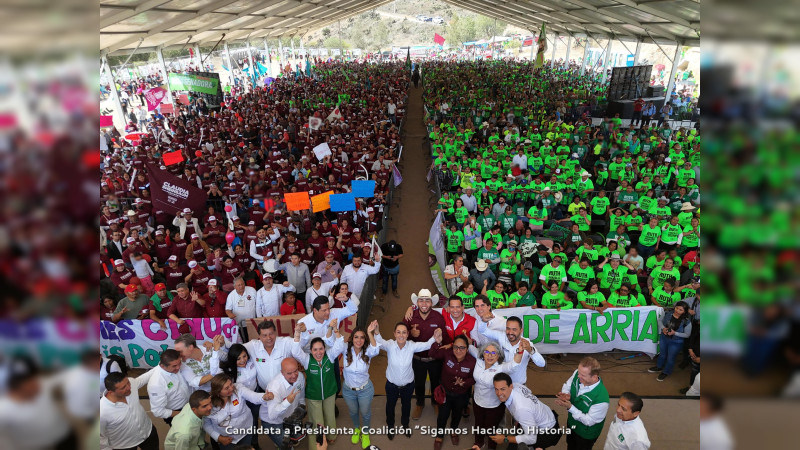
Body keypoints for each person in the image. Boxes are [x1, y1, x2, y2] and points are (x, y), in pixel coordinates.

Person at [371, 320, 442, 440]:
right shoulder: (389, 345)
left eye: (404, 332)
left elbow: (426, 345)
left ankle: (405, 424)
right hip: (391, 385)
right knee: (390, 406)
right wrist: (376, 331)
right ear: (394, 334)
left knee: (406, 406)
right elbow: (379, 341)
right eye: (398, 332)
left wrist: (435, 337)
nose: (401, 335)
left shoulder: (411, 346)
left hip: (408, 385)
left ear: (408, 334)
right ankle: (390, 426)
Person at [291, 319, 347, 447]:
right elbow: (295, 351)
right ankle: (316, 446)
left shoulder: (330, 356)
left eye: (321, 349)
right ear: (310, 350)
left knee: (330, 416)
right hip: (313, 396)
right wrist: (297, 334)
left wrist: (336, 330)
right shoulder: (306, 360)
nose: (318, 352)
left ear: (324, 349)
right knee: (317, 422)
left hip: (329, 393)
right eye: (315, 350)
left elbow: (339, 344)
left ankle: (331, 436)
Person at [404, 288, 447, 420]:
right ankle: (420, 403)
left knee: (436, 382)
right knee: (419, 383)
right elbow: (400, 336)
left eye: (427, 301)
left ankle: (435, 402)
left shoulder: (438, 317)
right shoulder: (410, 316)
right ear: (417, 302)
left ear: (431, 303)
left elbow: (444, 337)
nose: (424, 303)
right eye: (421, 300)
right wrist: (411, 333)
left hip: (434, 359)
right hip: (417, 359)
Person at [428, 333, 476, 450]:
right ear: (452, 346)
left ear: (467, 348)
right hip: (445, 393)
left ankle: (453, 430)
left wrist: (464, 383)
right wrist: (438, 342)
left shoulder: (472, 361)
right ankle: (439, 435)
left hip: (461, 395)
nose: (458, 350)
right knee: (442, 416)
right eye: (456, 347)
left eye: (462, 347)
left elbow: (475, 378)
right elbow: (432, 353)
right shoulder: (447, 353)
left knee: (457, 414)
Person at [491, 372, 562, 449]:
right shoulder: (517, 385)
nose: (499, 393)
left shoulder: (520, 409)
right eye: (496, 389)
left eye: (502, 389)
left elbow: (531, 439)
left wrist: (505, 438)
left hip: (548, 433)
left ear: (510, 386)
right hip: (546, 415)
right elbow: (529, 391)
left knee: (517, 446)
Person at [205, 373, 272, 449]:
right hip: (226, 438)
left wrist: (264, 397)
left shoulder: (238, 387)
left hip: (245, 431)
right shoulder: (209, 404)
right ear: (218, 392)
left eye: (231, 384)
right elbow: (206, 423)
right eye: (227, 388)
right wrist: (218, 437)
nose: (231, 388)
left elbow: (253, 396)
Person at [555, 357, 610, 449]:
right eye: (579, 372)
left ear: (594, 377)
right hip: (572, 423)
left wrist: (570, 407)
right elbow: (567, 385)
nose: (578, 376)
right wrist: (566, 394)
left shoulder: (602, 399)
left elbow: (589, 421)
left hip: (586, 434)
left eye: (583, 375)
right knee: (570, 445)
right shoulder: (578, 373)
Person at [476, 315, 545, 384]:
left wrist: (530, 350)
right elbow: (483, 330)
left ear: (521, 330)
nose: (510, 332)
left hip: (519, 385)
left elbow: (542, 364)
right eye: (508, 328)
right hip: (501, 384)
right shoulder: (501, 336)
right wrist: (484, 321)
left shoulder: (527, 343)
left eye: (514, 329)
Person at [100, 370, 159, 450]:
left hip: (148, 432)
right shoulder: (102, 410)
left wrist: (162, 364)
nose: (129, 387)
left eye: (128, 383)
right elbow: (100, 437)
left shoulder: (130, 385)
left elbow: (143, 378)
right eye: (123, 387)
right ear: (111, 392)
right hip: (124, 446)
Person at [343, 325, 380, 449]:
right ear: (352, 338)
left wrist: (370, 332)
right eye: (356, 337)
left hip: (365, 390)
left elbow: (376, 349)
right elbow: (331, 342)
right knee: (353, 412)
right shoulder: (345, 349)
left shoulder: (368, 351)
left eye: (362, 338)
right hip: (348, 390)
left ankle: (365, 432)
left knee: (365, 413)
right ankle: (357, 429)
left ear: (365, 339)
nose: (359, 340)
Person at [259, 358, 306, 449]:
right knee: (287, 447)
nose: (294, 376)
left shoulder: (300, 376)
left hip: (288, 416)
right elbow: (272, 415)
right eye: (289, 373)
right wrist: (287, 402)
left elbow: (301, 394)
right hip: (272, 422)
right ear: (282, 372)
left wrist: (302, 407)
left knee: (294, 438)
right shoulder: (274, 387)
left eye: (295, 370)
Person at [649, 300, 693, 381]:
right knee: (662, 354)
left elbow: (687, 335)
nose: (677, 311)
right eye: (676, 308)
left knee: (670, 358)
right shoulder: (667, 313)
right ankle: (659, 367)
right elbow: (659, 321)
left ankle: (666, 372)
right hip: (664, 338)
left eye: (680, 310)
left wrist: (674, 333)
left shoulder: (687, 321)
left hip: (676, 342)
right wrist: (663, 328)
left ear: (684, 311)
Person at [147, 349, 190, 426]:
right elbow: (158, 411)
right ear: (162, 366)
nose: (178, 367)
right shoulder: (156, 384)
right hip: (176, 413)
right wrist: (183, 413)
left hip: (188, 405)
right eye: (174, 366)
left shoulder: (175, 365)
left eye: (179, 363)